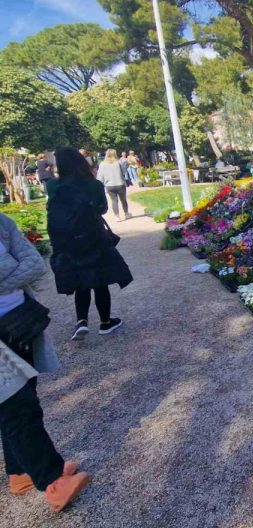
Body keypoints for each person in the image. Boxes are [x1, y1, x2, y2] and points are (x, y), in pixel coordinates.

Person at [0, 212, 91, 511]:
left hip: (19, 323)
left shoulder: (2, 222)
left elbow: (34, 264)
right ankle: (51, 479)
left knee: (23, 397)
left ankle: (20, 472)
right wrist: (12, 269)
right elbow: (18, 265)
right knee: (17, 407)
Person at [47, 147, 133, 340]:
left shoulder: (53, 186)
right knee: (100, 280)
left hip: (68, 241)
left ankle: (81, 321)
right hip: (93, 237)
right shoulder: (92, 185)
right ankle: (105, 322)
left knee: (80, 281)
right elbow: (102, 209)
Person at [96, 149, 131, 220]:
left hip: (109, 185)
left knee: (114, 201)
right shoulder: (118, 162)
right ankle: (126, 213)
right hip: (120, 183)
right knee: (123, 200)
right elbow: (124, 171)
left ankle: (117, 216)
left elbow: (100, 177)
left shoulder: (102, 164)